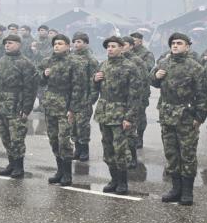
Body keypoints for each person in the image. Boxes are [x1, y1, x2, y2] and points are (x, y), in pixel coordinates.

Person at [151, 32, 207, 205]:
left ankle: (187, 192)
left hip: (186, 115)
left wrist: (199, 117)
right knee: (171, 154)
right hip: (167, 115)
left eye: (179, 43)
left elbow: (203, 95)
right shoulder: (163, 63)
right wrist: (156, 77)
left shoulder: (195, 67)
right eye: (173, 43)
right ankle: (175, 189)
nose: (175, 46)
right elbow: (152, 81)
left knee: (187, 154)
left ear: (187, 46)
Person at [94, 35, 145, 195]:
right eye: (108, 46)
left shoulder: (130, 67)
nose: (110, 49)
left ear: (122, 48)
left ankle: (123, 182)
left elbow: (135, 95)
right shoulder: (103, 64)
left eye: (114, 46)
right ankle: (113, 179)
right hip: (105, 111)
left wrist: (129, 117)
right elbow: (96, 90)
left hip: (121, 112)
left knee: (120, 149)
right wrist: (95, 80)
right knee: (108, 148)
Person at [0, 32, 37, 177]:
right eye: (6, 43)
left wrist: (26, 108)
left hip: (16, 105)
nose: (7, 45)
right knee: (5, 137)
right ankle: (11, 164)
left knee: (17, 138)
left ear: (18, 45)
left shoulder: (25, 63)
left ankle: (19, 167)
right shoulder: (3, 59)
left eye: (10, 43)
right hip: (2, 104)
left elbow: (31, 88)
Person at [40, 33, 81, 186]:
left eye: (60, 43)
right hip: (51, 106)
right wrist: (44, 75)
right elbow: (37, 80)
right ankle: (59, 171)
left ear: (68, 46)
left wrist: (72, 109)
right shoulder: (48, 61)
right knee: (54, 140)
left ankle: (67, 174)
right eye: (55, 44)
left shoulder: (74, 62)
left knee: (64, 141)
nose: (57, 46)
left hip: (65, 106)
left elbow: (78, 87)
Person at [70, 32, 100, 161]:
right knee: (72, 125)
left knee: (83, 125)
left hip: (84, 97)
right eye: (75, 41)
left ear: (86, 43)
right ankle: (77, 148)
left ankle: (84, 150)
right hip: (71, 98)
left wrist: (91, 99)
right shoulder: (70, 57)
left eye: (79, 42)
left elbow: (94, 81)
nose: (76, 44)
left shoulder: (91, 60)